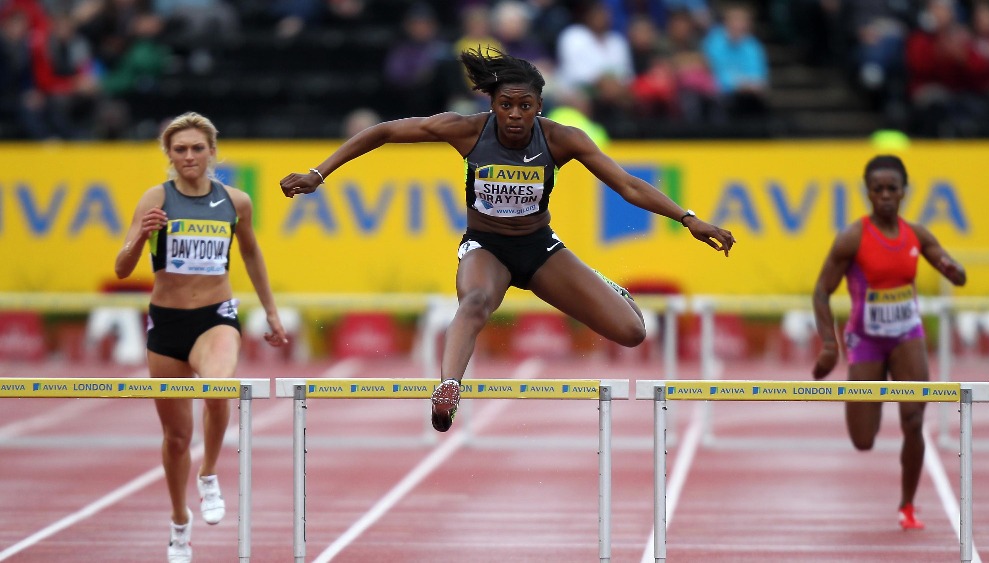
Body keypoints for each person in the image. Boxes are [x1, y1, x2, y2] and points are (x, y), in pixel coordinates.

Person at [279, 47, 735, 433]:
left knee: (632, 332)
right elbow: (382, 132)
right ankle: (448, 388)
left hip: (540, 250)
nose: (515, 116)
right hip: (486, 248)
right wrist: (319, 173)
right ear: (493, 104)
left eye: (525, 106)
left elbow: (628, 185)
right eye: (506, 105)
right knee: (475, 302)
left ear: (540, 106)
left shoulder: (562, 139)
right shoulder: (466, 130)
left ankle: (604, 284)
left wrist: (688, 218)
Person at [114, 111, 287, 563]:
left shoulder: (236, 202)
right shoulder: (156, 198)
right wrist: (141, 237)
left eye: (196, 148)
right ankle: (179, 522)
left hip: (216, 316)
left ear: (212, 152)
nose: (189, 156)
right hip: (167, 323)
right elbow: (122, 267)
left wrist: (270, 312)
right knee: (176, 437)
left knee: (217, 388)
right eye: (180, 149)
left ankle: (208, 472)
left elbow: (252, 255)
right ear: (169, 156)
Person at [811, 154, 966, 531]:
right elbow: (821, 291)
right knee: (863, 440)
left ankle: (907, 505)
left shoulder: (917, 235)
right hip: (865, 341)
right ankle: (874, 398)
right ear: (867, 192)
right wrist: (830, 344)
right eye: (877, 189)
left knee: (914, 420)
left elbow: (954, 272)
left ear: (903, 192)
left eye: (891, 189)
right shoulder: (853, 237)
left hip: (906, 336)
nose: (884, 195)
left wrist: (952, 269)